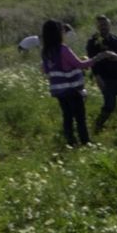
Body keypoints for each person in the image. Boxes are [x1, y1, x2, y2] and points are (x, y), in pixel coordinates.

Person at [39, 18, 103, 146]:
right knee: (80, 117)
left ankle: (71, 141)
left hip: (59, 90)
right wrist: (97, 58)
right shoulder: (63, 49)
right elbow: (80, 65)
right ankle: (85, 142)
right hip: (72, 89)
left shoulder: (46, 52)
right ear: (58, 33)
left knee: (67, 116)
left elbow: (46, 69)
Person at [86, 15, 117, 131]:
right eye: (101, 25)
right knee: (109, 105)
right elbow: (92, 61)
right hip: (106, 79)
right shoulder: (93, 42)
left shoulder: (116, 40)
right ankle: (97, 126)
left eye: (105, 24)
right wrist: (97, 77)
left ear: (109, 26)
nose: (103, 27)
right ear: (97, 26)